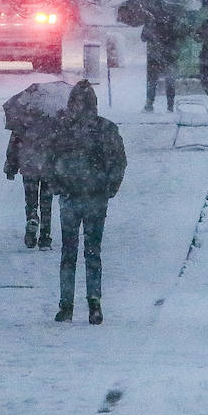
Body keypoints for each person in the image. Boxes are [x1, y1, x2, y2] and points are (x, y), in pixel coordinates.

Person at [46, 80, 126, 324]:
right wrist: (108, 188)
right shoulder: (105, 129)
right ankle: (94, 302)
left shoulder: (62, 129)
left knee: (68, 252)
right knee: (93, 251)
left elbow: (49, 160)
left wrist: (58, 185)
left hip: (71, 197)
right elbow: (118, 161)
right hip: (95, 197)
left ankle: (66, 304)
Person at [4, 120, 55, 249]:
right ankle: (45, 237)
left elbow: (14, 145)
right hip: (48, 166)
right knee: (46, 204)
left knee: (31, 201)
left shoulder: (23, 119)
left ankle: (32, 218)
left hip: (29, 165)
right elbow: (62, 144)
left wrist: (11, 167)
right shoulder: (54, 118)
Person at [139, 0, 187, 113]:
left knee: (152, 82)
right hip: (170, 55)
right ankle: (170, 106)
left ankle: (150, 104)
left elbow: (143, 38)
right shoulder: (172, 20)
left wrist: (154, 38)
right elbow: (181, 35)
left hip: (154, 56)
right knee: (170, 81)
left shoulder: (151, 21)